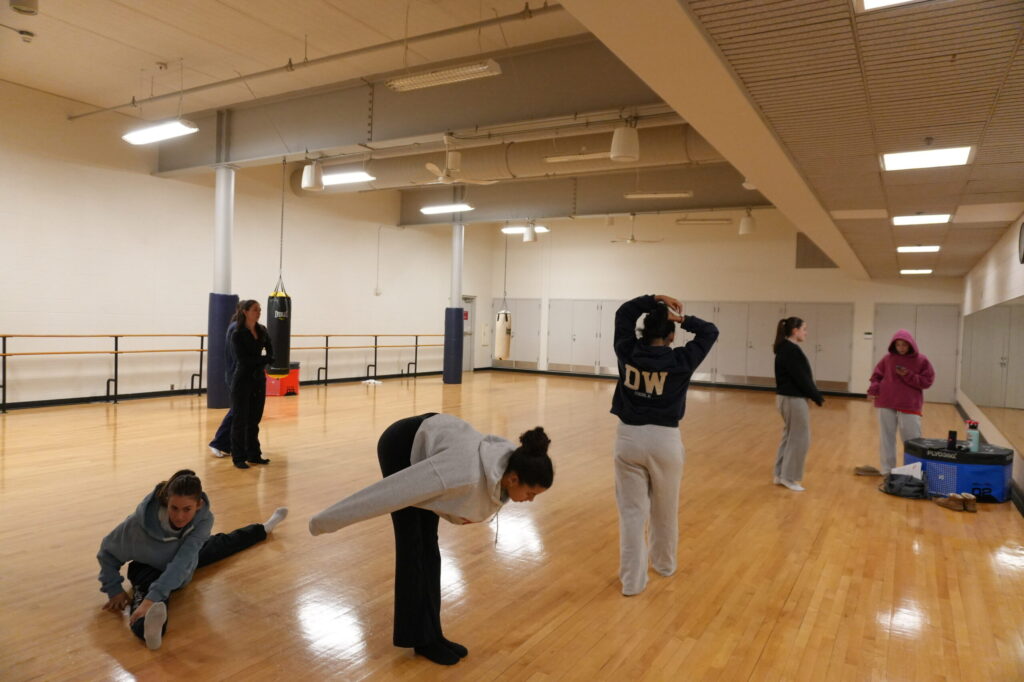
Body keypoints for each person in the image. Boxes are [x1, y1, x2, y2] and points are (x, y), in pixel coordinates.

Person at [309, 413, 554, 666]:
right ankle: (420, 639)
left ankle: (433, 634)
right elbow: (384, 495)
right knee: (412, 547)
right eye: (531, 493)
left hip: (434, 451)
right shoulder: (462, 475)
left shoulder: (515, 461)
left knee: (429, 546)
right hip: (402, 447)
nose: (530, 500)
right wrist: (325, 520)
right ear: (514, 479)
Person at [97, 469, 288, 650]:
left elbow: (182, 562)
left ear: (199, 506)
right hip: (148, 567)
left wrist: (157, 594)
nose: (180, 516)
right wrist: (115, 589)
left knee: (223, 543)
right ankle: (150, 633)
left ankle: (263, 528)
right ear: (166, 502)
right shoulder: (138, 525)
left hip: (184, 561)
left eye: (187, 509)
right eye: (174, 508)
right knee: (146, 604)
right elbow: (108, 552)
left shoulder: (204, 520)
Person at [610, 294, 718, 597]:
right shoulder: (680, 359)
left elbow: (623, 313)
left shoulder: (627, 350)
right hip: (665, 441)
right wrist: (683, 319)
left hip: (628, 438)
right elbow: (710, 331)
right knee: (665, 509)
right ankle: (665, 565)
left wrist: (654, 299)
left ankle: (632, 582)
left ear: (643, 331)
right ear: (671, 335)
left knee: (632, 514)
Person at [855, 330, 935, 477]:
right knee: (886, 438)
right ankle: (887, 470)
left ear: (910, 345)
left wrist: (908, 375)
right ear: (894, 345)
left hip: (909, 404)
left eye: (904, 345)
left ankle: (912, 472)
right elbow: (876, 376)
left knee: (912, 440)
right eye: (898, 345)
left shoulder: (921, 360)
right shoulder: (887, 359)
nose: (901, 348)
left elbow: (926, 381)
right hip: (886, 402)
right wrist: (873, 389)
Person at [773, 317, 824, 492]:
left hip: (789, 398)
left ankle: (780, 474)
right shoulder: (790, 350)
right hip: (792, 399)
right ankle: (789, 477)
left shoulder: (787, 349)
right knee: (800, 438)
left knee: (790, 436)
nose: (806, 332)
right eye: (804, 329)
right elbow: (801, 377)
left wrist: (811, 395)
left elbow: (801, 376)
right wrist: (816, 396)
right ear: (795, 331)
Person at [229, 299, 274, 469]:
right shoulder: (238, 333)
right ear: (245, 312)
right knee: (240, 420)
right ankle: (238, 457)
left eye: (260, 309)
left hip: (258, 378)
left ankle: (254, 454)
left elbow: (270, 349)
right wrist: (263, 359)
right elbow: (244, 360)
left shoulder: (262, 330)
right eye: (255, 309)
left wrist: (266, 359)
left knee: (254, 419)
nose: (259, 312)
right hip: (242, 379)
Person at [208, 303, 241, 458]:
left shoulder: (237, 327)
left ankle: (232, 444)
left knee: (240, 412)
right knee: (236, 411)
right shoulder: (236, 328)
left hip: (238, 375)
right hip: (237, 376)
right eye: (255, 310)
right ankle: (218, 442)